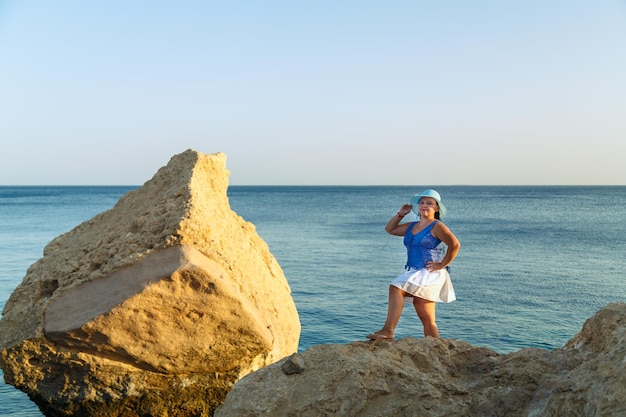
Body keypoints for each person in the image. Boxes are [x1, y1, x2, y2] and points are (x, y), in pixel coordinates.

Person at [366, 189, 460, 340]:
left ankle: (388, 331)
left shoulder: (437, 226)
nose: (424, 205)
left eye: (429, 203)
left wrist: (442, 264)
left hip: (429, 273)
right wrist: (401, 214)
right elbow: (390, 229)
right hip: (416, 271)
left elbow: (455, 245)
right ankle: (436, 347)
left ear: (437, 208)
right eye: (422, 202)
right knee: (427, 319)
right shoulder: (411, 226)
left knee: (396, 287)